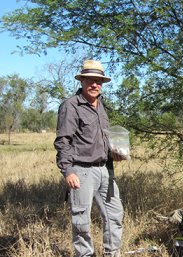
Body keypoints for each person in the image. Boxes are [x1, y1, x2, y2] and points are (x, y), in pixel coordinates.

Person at [54, 60, 124, 257]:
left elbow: (101, 140)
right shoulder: (71, 106)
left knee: (115, 215)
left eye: (98, 81)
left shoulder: (101, 106)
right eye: (90, 80)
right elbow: (63, 141)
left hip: (105, 170)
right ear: (82, 80)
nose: (95, 85)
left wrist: (114, 154)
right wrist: (68, 170)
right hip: (81, 170)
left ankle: (112, 254)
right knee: (81, 220)